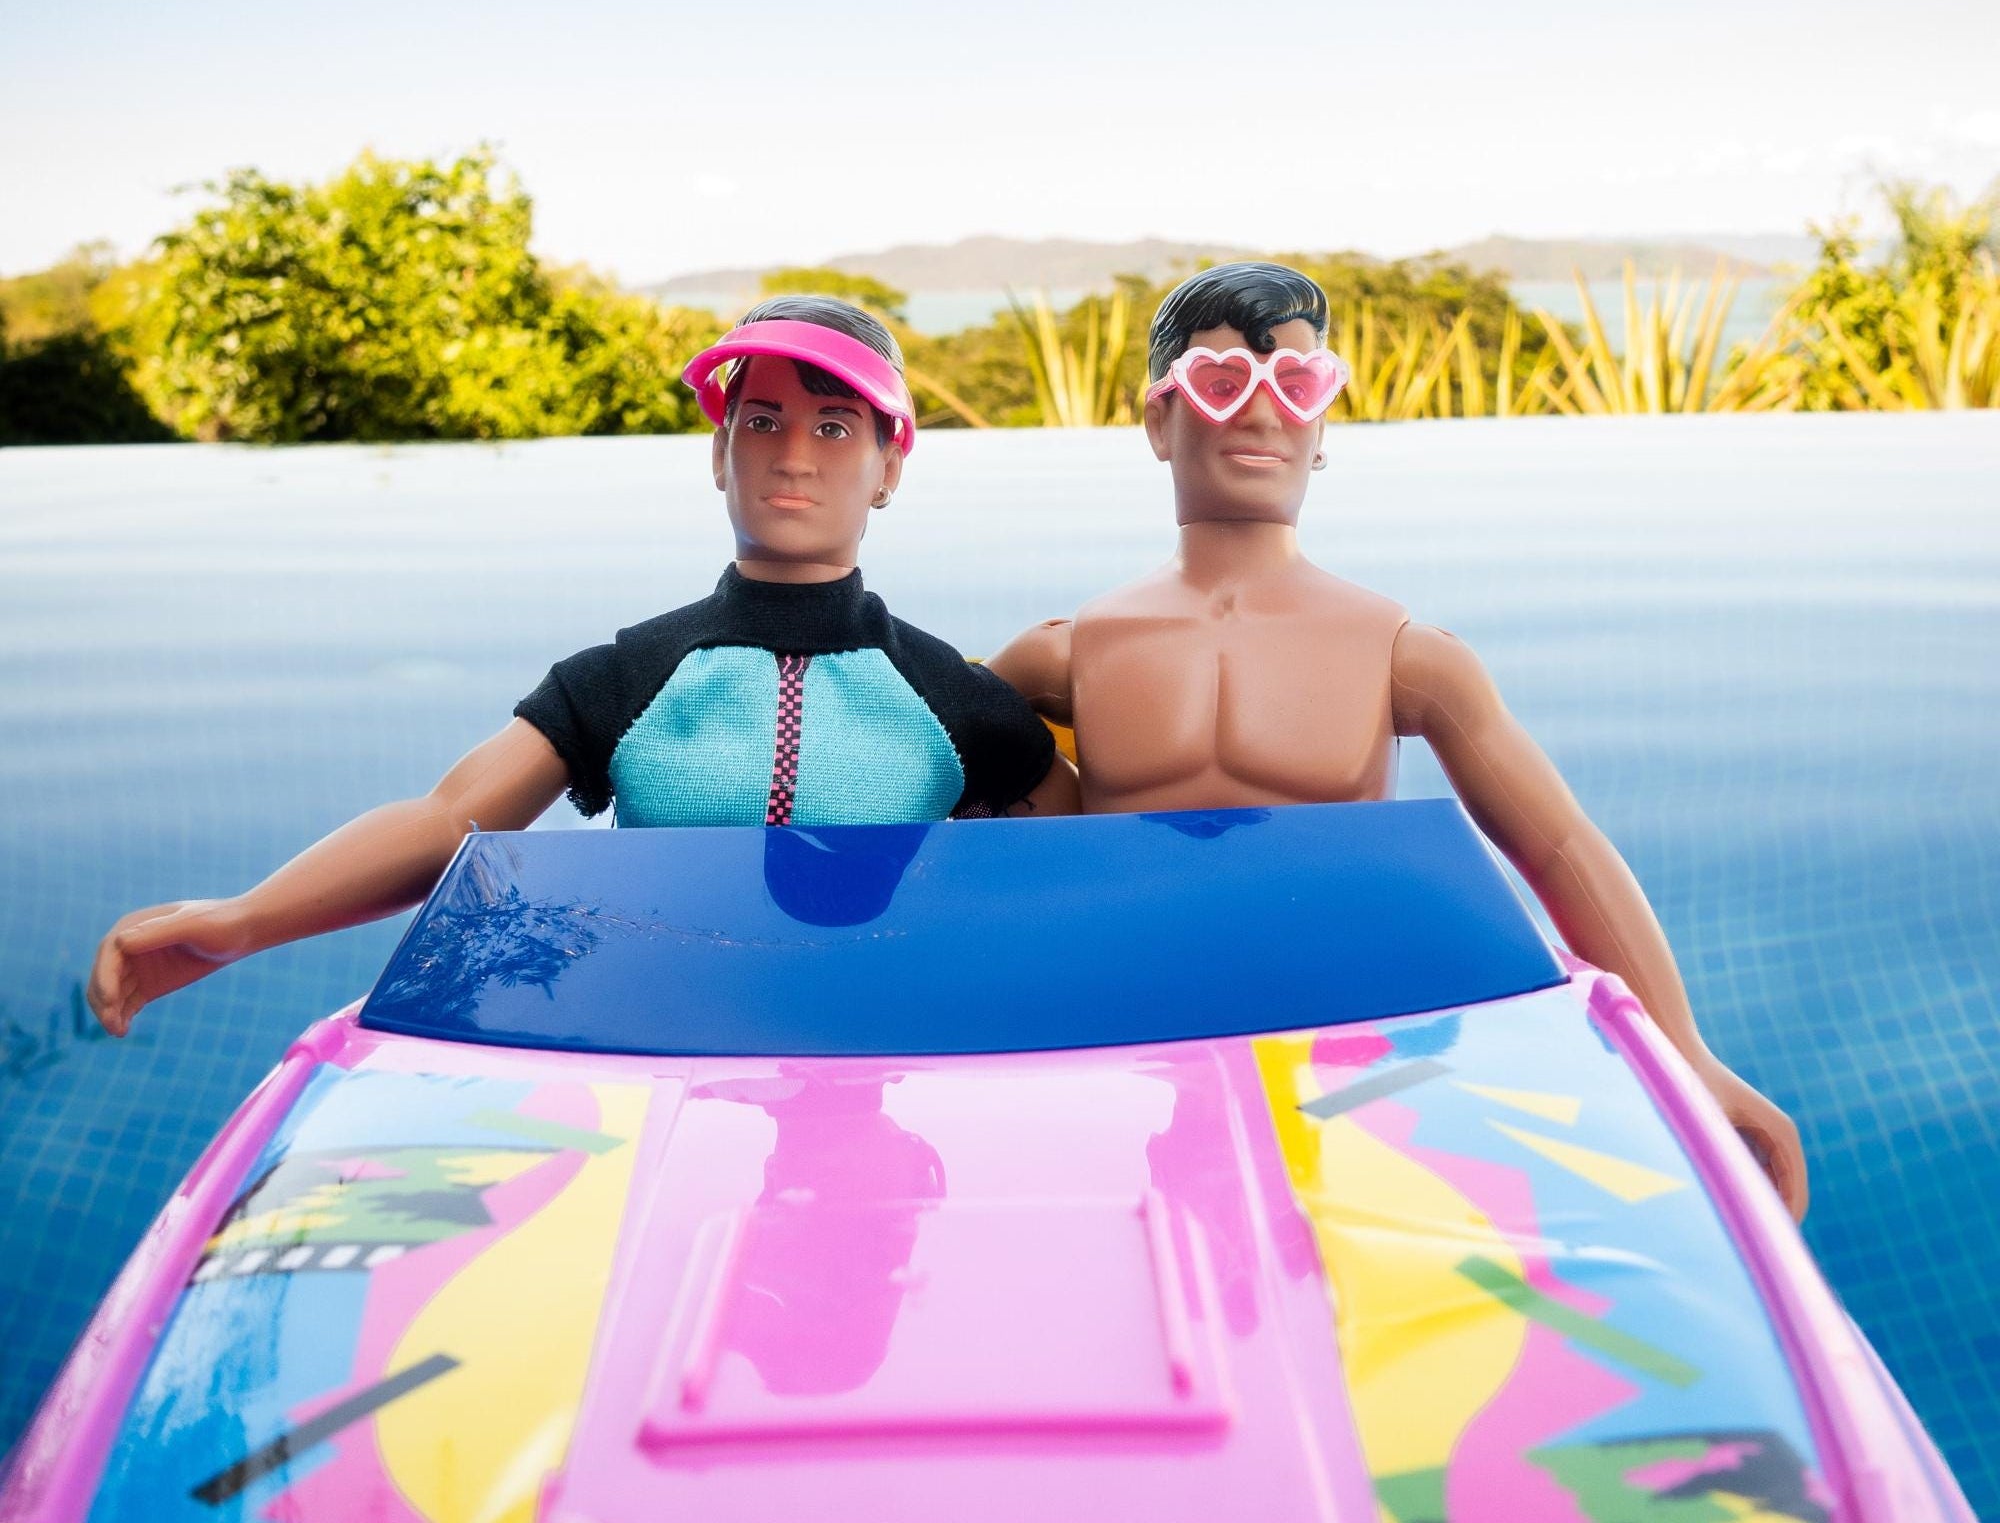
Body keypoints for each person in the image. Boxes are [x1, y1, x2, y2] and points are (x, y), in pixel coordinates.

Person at [989, 262, 1809, 1219]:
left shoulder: (1400, 656)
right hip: (1131, 1054)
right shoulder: (1067, 657)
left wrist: (1687, 1055)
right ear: (1159, 419)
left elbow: (1558, 846)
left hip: (1334, 1055)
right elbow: (929, 801)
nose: (1260, 412)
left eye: (1296, 384)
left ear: (1322, 427)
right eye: (1221, 383)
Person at [88, 296, 1075, 1038]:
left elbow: (1096, 858)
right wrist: (246, 919)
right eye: (761, 419)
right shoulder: (629, 675)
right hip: (663, 1055)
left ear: (889, 464)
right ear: (718, 449)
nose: (793, 455)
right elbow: (449, 819)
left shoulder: (950, 697)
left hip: (884, 1055)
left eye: (832, 425)